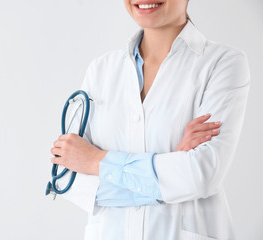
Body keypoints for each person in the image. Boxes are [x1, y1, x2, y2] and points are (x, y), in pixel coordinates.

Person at [50, 0, 251, 239]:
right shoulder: (100, 70)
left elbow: (200, 175)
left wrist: (96, 162)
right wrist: (171, 170)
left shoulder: (223, 64)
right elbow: (66, 181)